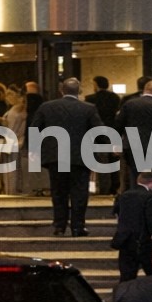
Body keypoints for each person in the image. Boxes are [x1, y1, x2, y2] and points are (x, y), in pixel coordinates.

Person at [29, 77, 103, 236]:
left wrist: (34, 150)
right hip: (81, 157)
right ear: (79, 91)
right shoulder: (88, 108)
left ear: (61, 90)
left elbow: (34, 128)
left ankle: (59, 225)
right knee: (80, 192)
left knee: (58, 191)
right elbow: (99, 131)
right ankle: (78, 227)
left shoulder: (47, 107)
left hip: (55, 156)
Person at [114, 76, 152, 196]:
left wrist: (117, 143)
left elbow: (118, 124)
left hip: (133, 145)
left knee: (135, 175)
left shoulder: (129, 104)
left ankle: (136, 202)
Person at [110, 171, 152, 283]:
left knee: (127, 275)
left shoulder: (123, 195)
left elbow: (116, 212)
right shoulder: (151, 197)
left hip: (126, 239)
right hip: (145, 240)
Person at [85, 76, 123, 195]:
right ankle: (113, 186)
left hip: (95, 131)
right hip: (112, 129)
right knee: (113, 159)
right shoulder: (115, 98)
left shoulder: (90, 99)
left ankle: (99, 185)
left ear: (96, 85)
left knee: (96, 160)